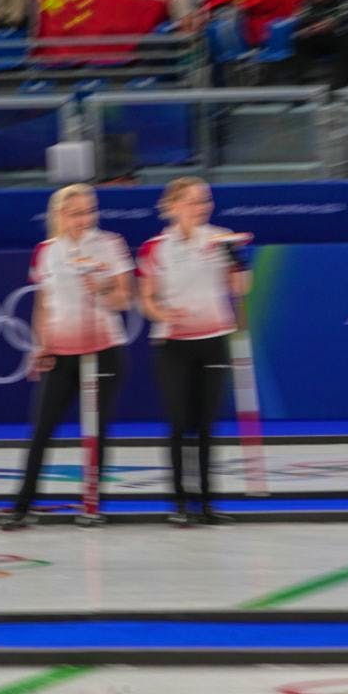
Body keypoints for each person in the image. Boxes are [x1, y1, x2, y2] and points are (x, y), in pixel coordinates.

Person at [0, 184, 133, 530]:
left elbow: (123, 301)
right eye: (76, 213)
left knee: (96, 429)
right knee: (42, 429)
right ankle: (22, 505)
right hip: (60, 352)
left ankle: (92, 504)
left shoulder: (110, 245)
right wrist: (38, 345)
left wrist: (101, 286)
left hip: (103, 350)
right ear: (59, 215)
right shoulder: (46, 251)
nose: (84, 219)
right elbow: (44, 303)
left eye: (89, 211)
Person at [137, 177, 251, 526]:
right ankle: (179, 503)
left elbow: (241, 288)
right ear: (173, 205)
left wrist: (237, 258)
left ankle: (206, 503)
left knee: (205, 424)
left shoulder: (220, 238)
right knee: (178, 422)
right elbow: (146, 299)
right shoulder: (155, 248)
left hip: (213, 338)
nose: (202, 207)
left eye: (205, 201)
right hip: (173, 344)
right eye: (194, 201)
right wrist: (161, 314)